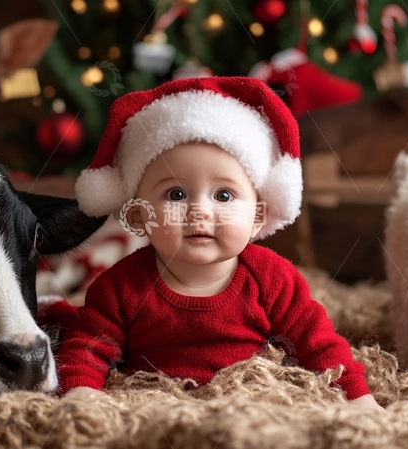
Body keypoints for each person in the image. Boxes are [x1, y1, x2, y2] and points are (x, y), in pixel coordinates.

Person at [58, 76, 383, 411]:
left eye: (224, 195)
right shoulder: (121, 287)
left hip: (248, 409)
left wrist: (357, 397)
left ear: (258, 216)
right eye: (176, 194)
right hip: (157, 410)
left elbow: (319, 345)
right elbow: (86, 347)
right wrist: (81, 389)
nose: (200, 211)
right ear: (140, 216)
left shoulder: (273, 278)